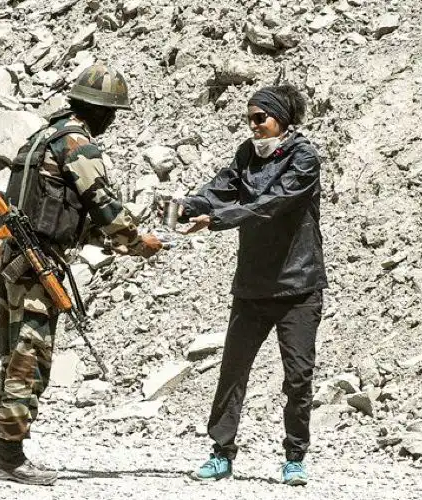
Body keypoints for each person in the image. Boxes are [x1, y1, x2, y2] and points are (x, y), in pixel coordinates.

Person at [0, 64, 163, 486]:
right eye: (111, 112)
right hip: (35, 258)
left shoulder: (44, 135)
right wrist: (138, 243)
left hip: (12, 253)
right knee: (31, 357)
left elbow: (61, 208)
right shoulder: (78, 144)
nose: (112, 121)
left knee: (13, 354)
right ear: (99, 111)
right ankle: (8, 455)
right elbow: (103, 205)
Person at [177, 84, 327, 486]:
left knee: (298, 377)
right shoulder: (246, 154)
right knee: (233, 371)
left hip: (299, 287)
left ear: (282, 118)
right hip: (251, 287)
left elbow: (272, 202)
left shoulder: (304, 158)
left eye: (260, 118)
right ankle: (221, 452)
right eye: (249, 119)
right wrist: (186, 206)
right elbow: (219, 188)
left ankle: (295, 456)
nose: (253, 126)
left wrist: (219, 218)